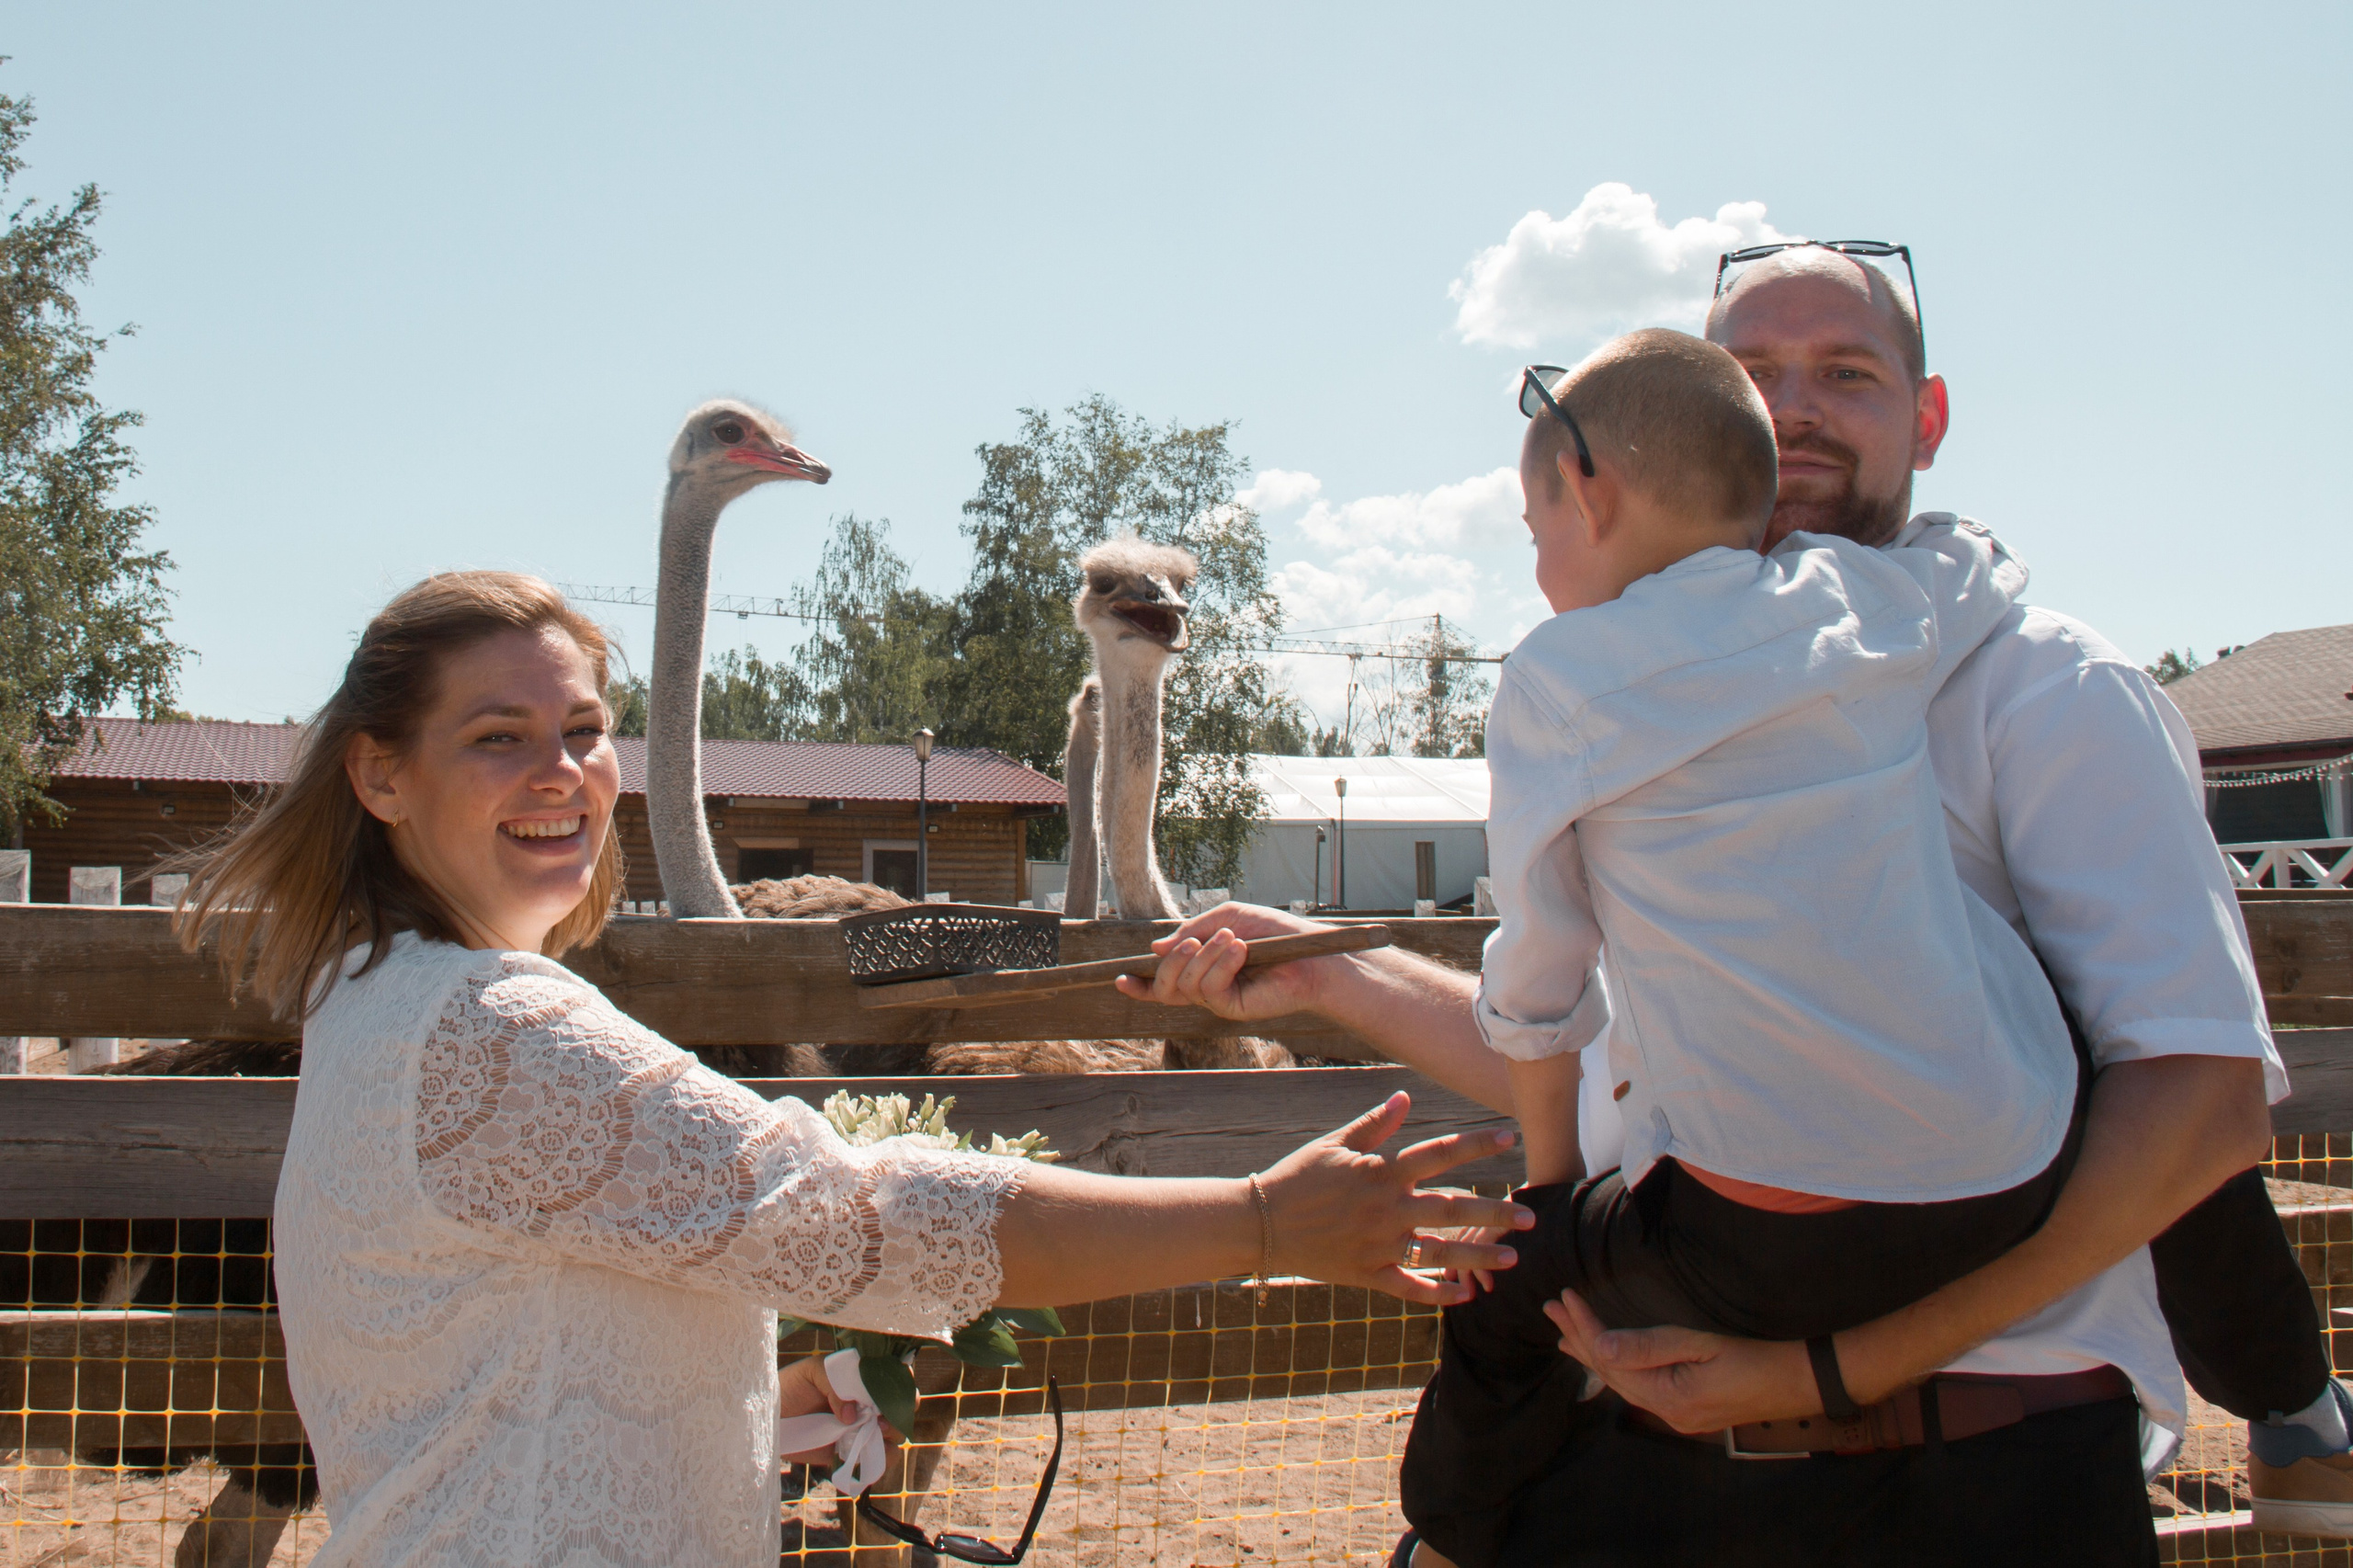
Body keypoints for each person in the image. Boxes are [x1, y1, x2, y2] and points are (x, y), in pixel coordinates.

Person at [1125, 244, 2312, 1562]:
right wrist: (1334, 975)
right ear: (1710, 419)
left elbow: (2200, 1113)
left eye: (1846, 373)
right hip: (1656, 1472)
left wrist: (1830, 1367)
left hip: (1972, 1480)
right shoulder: (1654, 698)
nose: (1796, 405)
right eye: (1757, 374)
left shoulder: (2050, 693)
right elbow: (1637, 1076)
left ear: (1926, 418)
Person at [173, 571, 1533, 1568]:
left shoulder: (370, 1005)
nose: (565, 772)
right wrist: (1262, 1222)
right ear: (381, 776)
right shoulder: (500, 1033)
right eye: (498, 737)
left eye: (585, 730)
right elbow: (860, 1215)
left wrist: (761, 1399)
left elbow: (510, 1371)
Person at [1397, 327, 2109, 1568]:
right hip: (2016, 1173)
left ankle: (1447, 1529)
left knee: (1511, 1288)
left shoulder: (1560, 681)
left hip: (1768, 1239)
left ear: (1592, 494)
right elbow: (1980, 563)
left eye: (1534, 529)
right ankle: (2295, 1408)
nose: (1541, 564)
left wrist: (1556, 1201)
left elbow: (1538, 978)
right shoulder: (1856, 599)